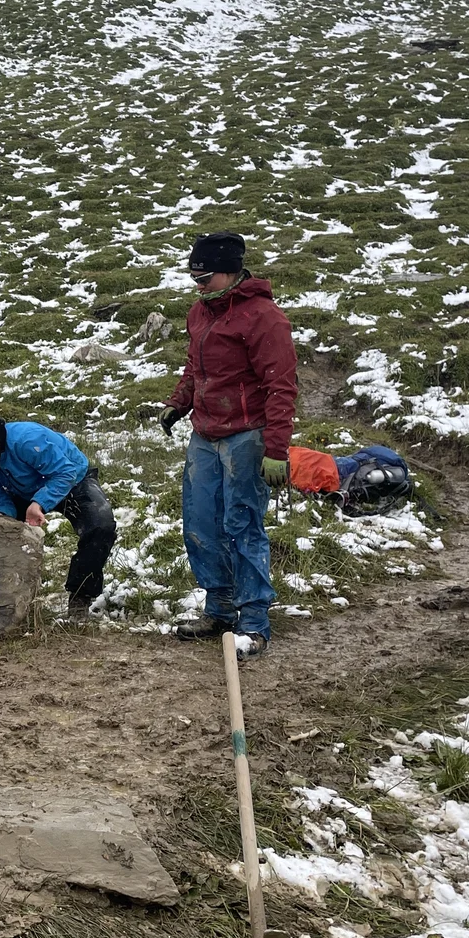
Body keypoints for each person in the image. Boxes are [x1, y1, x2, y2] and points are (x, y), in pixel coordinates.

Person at [156, 232, 298, 656]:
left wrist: (275, 449)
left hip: (246, 436)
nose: (198, 285)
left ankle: (253, 621)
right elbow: (194, 366)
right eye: (193, 277)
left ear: (230, 271)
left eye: (205, 277)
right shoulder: (200, 312)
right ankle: (219, 609)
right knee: (200, 526)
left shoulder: (264, 317)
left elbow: (281, 387)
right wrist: (178, 403)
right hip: (204, 433)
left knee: (242, 526)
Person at [0, 399, 117, 613]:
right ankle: (1, 599)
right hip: (21, 492)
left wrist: (40, 502)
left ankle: (80, 597)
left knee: (101, 526)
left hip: (72, 478)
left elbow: (64, 472)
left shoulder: (26, 440)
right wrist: (0, 514)